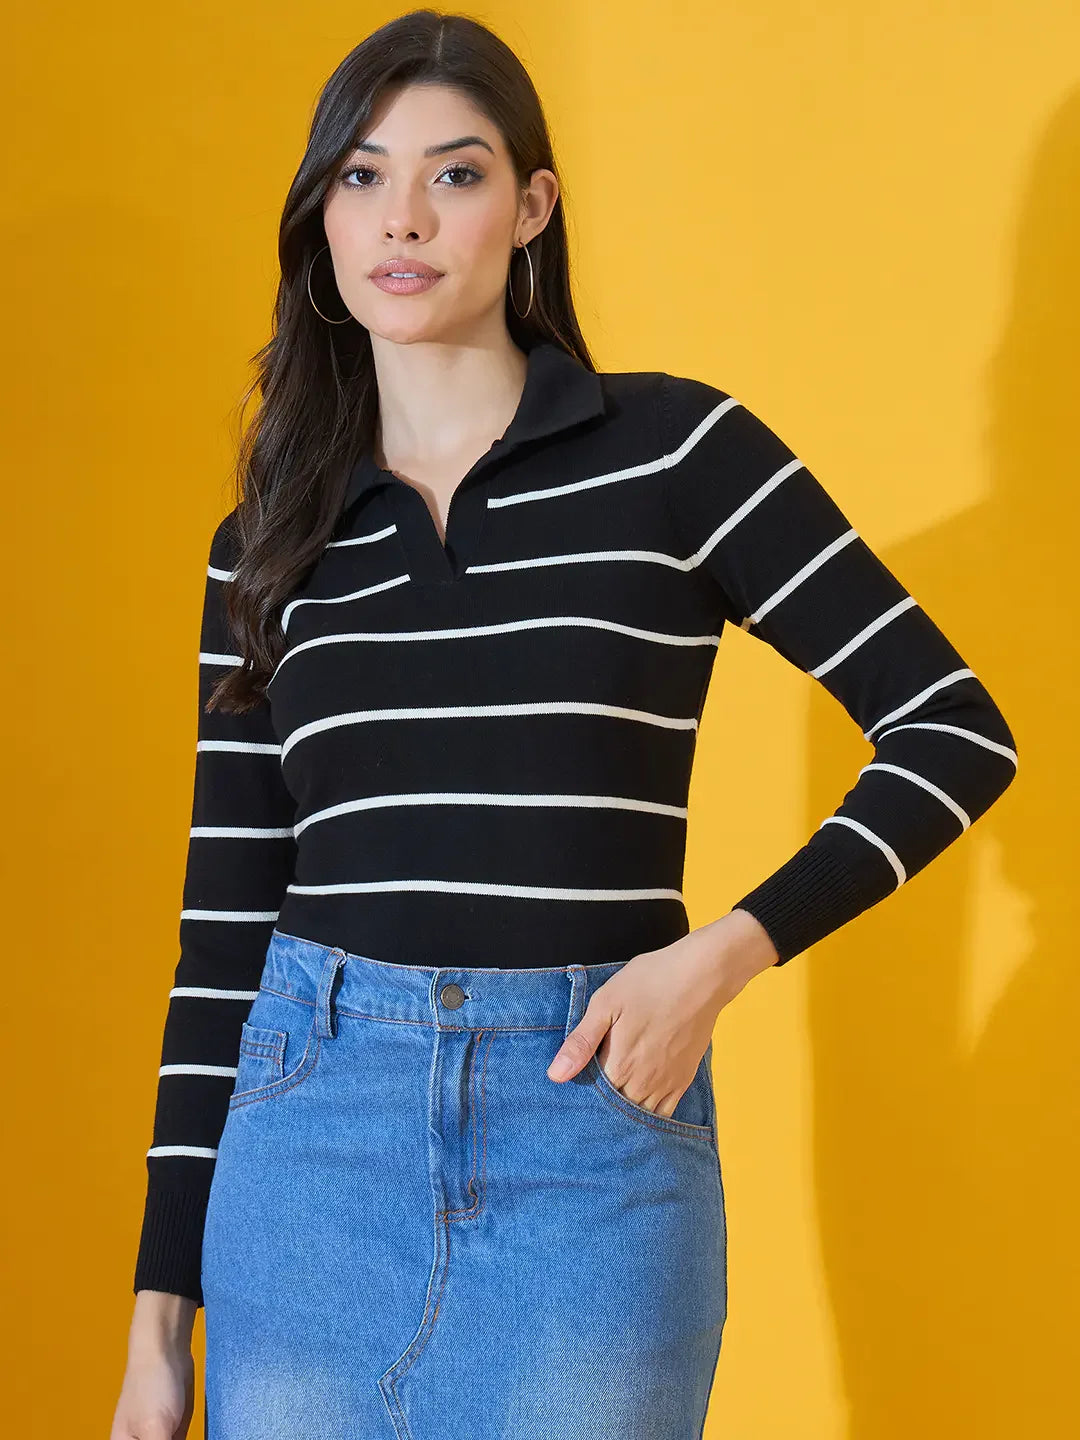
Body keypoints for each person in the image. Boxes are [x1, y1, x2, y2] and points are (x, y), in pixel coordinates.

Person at [111, 11, 1018, 1440]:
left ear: (532, 209)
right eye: (360, 176)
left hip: (587, 1141)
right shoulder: (267, 536)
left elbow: (954, 731)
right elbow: (223, 932)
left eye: (455, 175)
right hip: (309, 1151)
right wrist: (157, 1330)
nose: (402, 217)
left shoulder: (678, 452)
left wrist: (717, 960)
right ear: (319, 219)